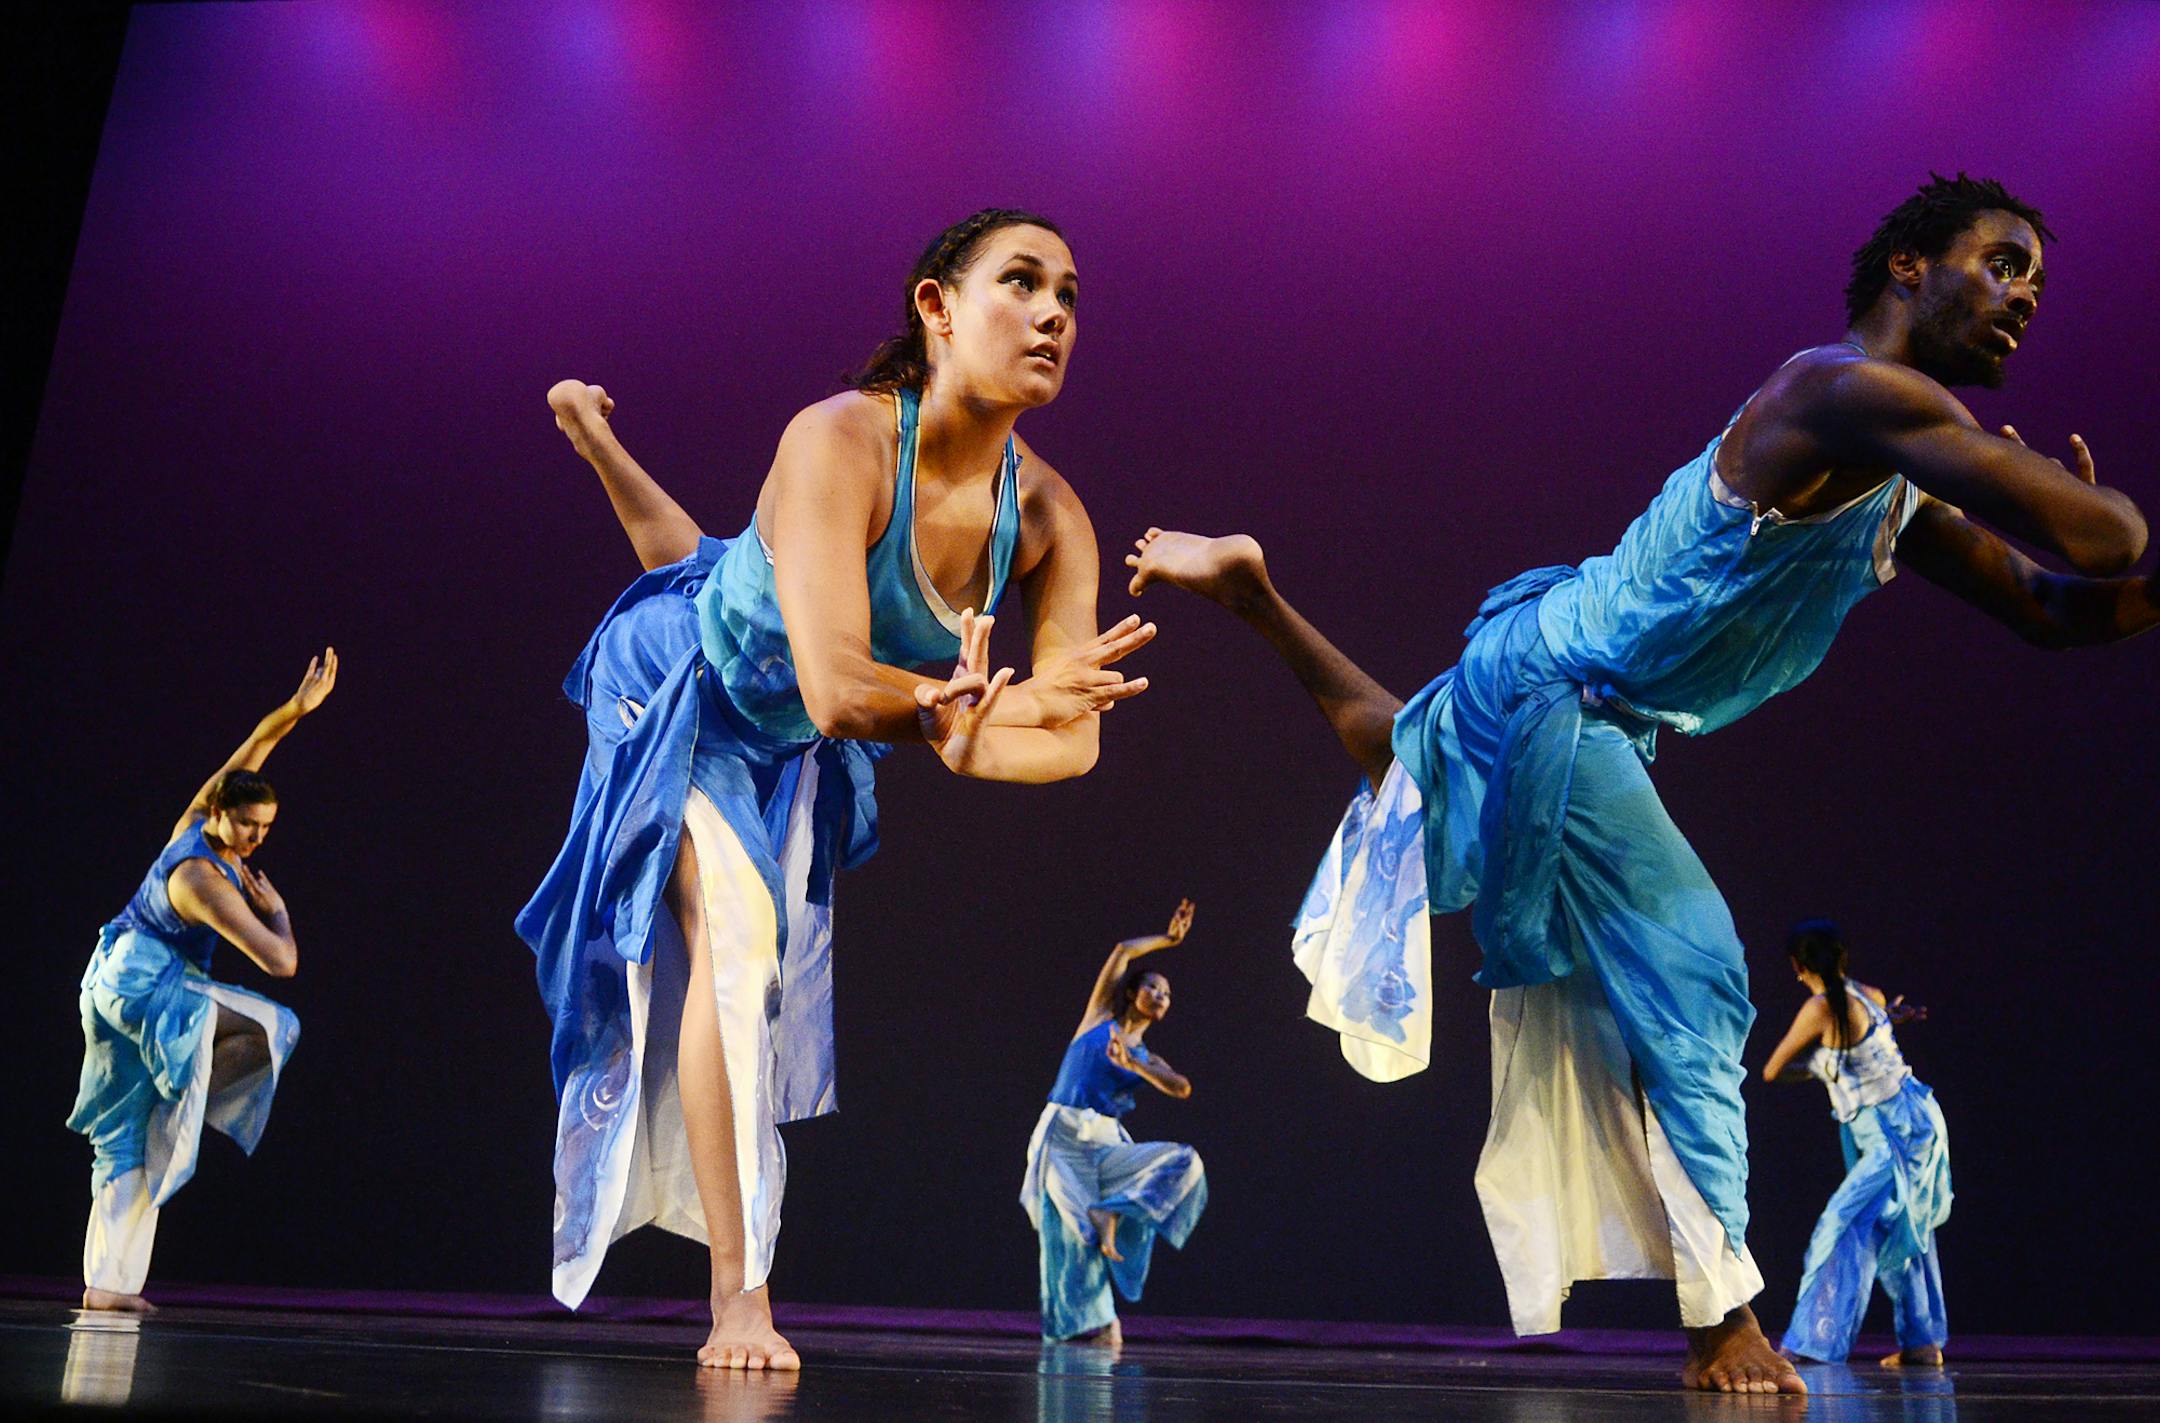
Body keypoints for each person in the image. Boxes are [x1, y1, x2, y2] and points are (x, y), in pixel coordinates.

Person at [1126, 173, 2155, 1394]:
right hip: (1570, 688)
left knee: (1414, 760)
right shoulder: (1844, 390)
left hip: (1547, 662)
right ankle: (1724, 1325)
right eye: (2001, 262)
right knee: (1700, 969)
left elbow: (2054, 608)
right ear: (1909, 269)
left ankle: (1254, 594)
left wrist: (2077, 518)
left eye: (2035, 279)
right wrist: (2088, 499)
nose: (2023, 295)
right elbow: (2110, 541)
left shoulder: (1894, 477)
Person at [518, 209, 1157, 1370]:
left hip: (785, 704)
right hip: (682, 691)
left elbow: (1071, 741)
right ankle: (738, 1299)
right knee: (743, 944)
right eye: (1021, 282)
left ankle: (596, 439)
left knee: (713, 563)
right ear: (936, 306)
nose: (1056, 312)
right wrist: (953, 713)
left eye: (1071, 292)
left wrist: (977, 734)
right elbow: (834, 684)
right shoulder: (838, 440)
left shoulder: (1054, 518)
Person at [66, 651, 334, 1313]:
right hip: (144, 986)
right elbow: (282, 962)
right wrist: (278, 911)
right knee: (279, 1026)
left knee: (122, 1136)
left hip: (106, 979)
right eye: (246, 823)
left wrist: (294, 710)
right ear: (219, 812)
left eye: (266, 827)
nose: (254, 838)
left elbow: (256, 747)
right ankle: (177, 1086)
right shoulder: (204, 880)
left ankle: (109, 1286)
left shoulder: (194, 821)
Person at [1762, 921, 1949, 1368]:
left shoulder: (1821, 1007)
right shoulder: (1873, 995)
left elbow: (1773, 1070)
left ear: (1797, 966)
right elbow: (1870, 1048)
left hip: (1892, 1134)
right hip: (1916, 1119)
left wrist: (1820, 1069)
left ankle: (1810, 1342)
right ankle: (1922, 1343)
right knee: (1901, 1227)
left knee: (1839, 1226)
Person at [1021, 899, 1208, 1345]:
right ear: (1131, 993)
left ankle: (1113, 1210)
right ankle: (1094, 1325)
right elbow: (1123, 951)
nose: (1161, 997)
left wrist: (1136, 1065)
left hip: (1105, 1141)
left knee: (1186, 1164)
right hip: (1064, 1134)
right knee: (1076, 1234)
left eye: (1167, 995)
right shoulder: (1099, 1018)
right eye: (1154, 989)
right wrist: (1169, 940)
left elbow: (1181, 1087)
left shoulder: (1147, 1056)